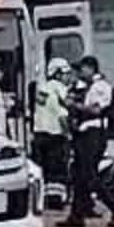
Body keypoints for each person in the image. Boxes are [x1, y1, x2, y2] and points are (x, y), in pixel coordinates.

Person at [60, 54, 114, 227]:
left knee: (89, 174)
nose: (79, 73)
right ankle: (77, 215)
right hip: (82, 133)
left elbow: (97, 110)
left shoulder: (101, 87)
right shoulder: (83, 87)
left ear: (91, 68)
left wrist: (74, 106)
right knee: (78, 175)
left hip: (94, 133)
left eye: (81, 69)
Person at [32, 57, 71, 198]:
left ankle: (44, 198)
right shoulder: (59, 88)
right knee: (57, 171)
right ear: (57, 74)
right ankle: (56, 199)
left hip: (39, 134)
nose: (68, 77)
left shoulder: (43, 87)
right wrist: (68, 134)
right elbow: (62, 115)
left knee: (43, 170)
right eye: (66, 74)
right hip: (55, 136)